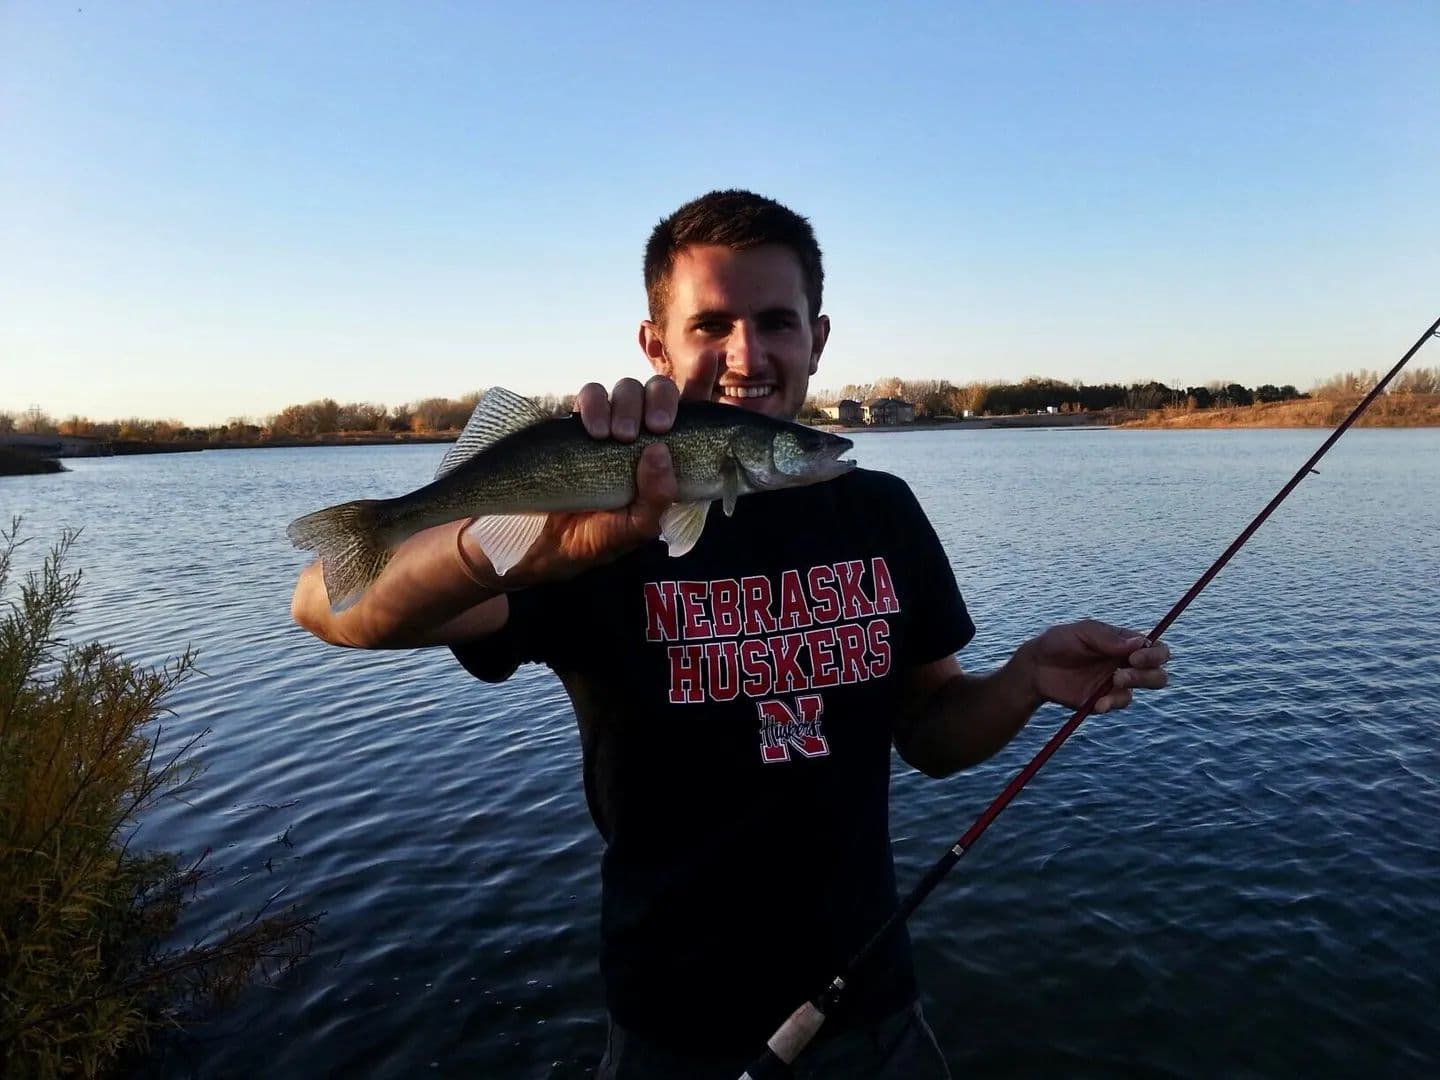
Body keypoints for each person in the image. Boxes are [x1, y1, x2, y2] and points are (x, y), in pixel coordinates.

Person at [290, 190, 1170, 1078]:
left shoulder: (880, 513)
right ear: (654, 346)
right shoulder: (580, 531)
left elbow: (932, 735)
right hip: (671, 1027)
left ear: (816, 339)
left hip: (870, 1007)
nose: (746, 354)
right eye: (711, 325)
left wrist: (1024, 679)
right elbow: (326, 607)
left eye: (775, 322)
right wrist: (499, 545)